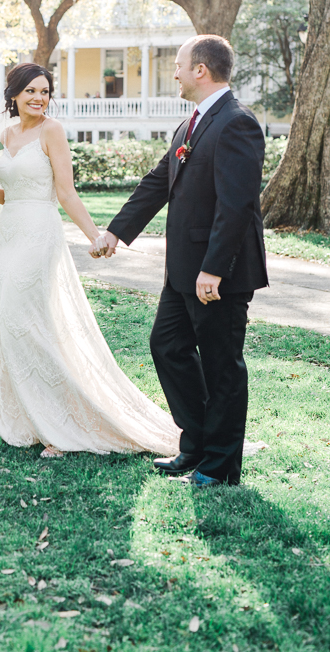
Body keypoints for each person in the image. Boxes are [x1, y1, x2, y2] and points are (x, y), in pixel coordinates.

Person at [92, 35, 268, 487]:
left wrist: (214, 268)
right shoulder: (191, 123)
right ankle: (195, 445)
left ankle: (220, 465)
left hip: (217, 274)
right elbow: (158, 182)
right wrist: (116, 230)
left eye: (179, 65)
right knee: (167, 347)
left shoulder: (236, 123)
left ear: (201, 71)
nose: (175, 73)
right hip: (181, 271)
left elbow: (237, 206)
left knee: (222, 365)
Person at [0, 62, 180, 459]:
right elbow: (6, 192)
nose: (39, 98)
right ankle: (32, 419)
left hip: (40, 231)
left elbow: (66, 193)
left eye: (45, 91)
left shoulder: (51, 130)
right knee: (5, 318)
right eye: (32, 91)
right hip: (9, 233)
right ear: (14, 95)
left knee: (27, 320)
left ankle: (61, 424)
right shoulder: (3, 136)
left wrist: (97, 236)